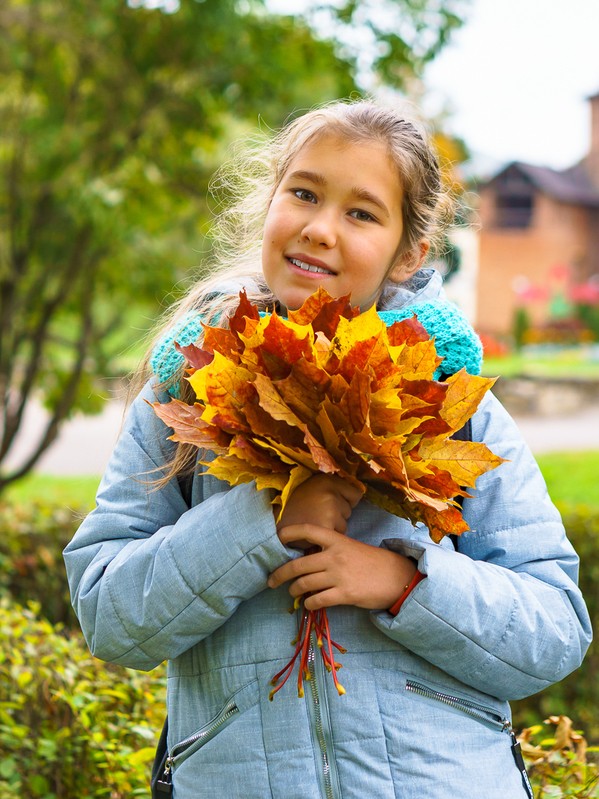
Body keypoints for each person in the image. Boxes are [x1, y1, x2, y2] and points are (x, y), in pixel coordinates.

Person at [63, 99, 592, 799]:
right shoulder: (187, 394)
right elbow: (110, 617)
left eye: (361, 213)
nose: (318, 229)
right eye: (304, 193)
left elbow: (553, 629)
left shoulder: (450, 404)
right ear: (271, 200)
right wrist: (260, 524)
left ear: (409, 251)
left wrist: (403, 582)